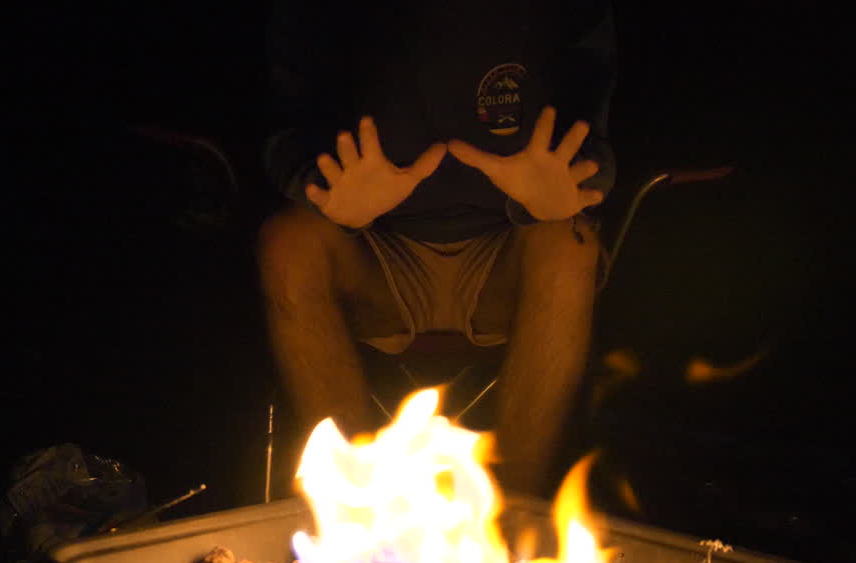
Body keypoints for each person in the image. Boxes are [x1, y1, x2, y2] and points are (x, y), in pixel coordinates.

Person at [256, 1, 618, 497]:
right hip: (375, 255)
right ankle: (355, 508)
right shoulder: (319, 18)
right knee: (289, 244)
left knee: (568, 245)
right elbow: (280, 130)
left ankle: (514, 517)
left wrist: (568, 187)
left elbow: (596, 134)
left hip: (504, 256)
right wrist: (325, 190)